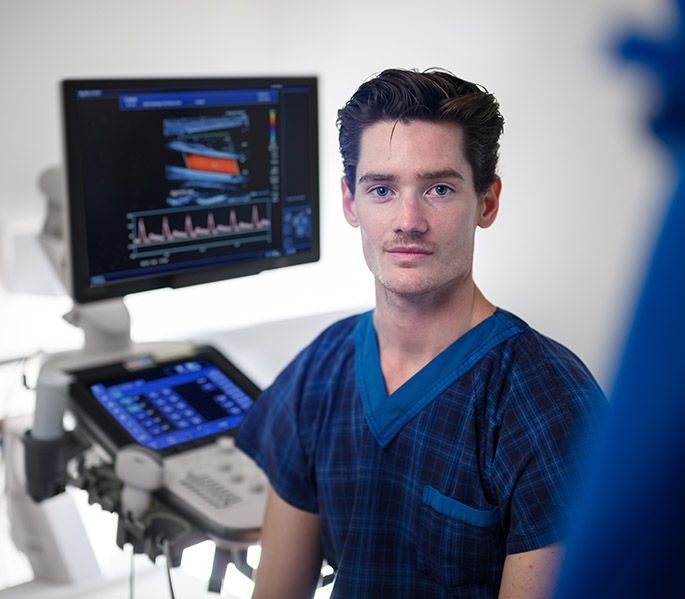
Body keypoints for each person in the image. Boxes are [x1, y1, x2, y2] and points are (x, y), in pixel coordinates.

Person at [236, 68, 608, 598]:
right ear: (350, 202)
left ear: (487, 201)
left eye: (438, 188)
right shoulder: (321, 371)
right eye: (382, 189)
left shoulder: (548, 405)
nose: (408, 220)